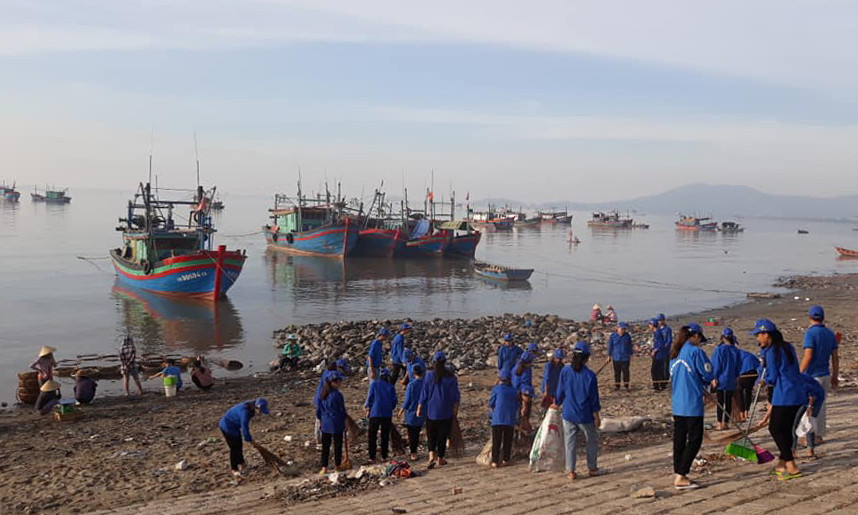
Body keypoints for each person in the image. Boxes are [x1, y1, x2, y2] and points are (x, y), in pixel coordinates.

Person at [752, 319, 804, 480]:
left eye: (758, 335)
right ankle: (782, 464)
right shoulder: (788, 347)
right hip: (798, 392)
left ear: (766, 334)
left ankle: (791, 464)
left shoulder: (771, 351)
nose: (757, 339)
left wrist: (763, 380)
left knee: (775, 428)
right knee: (786, 429)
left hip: (784, 394)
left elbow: (773, 376)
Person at [669, 323, 713, 490]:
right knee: (694, 439)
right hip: (692, 402)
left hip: (677, 403)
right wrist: (705, 383)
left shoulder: (674, 354)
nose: (700, 342)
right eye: (699, 338)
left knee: (679, 439)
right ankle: (681, 474)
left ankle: (678, 472)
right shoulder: (696, 352)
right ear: (694, 336)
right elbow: (708, 373)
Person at [554, 342, 602, 480]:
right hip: (584, 415)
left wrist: (556, 403)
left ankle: (571, 470)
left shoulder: (565, 371)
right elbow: (594, 399)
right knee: (591, 440)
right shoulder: (590, 376)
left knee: (570, 443)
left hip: (568, 413)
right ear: (586, 358)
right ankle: (592, 468)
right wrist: (596, 416)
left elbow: (560, 391)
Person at [799, 305, 839, 442]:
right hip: (825, 374)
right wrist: (835, 375)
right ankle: (819, 435)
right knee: (821, 405)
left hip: (812, 375)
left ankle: (809, 436)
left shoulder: (810, 333)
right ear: (822, 318)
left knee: (808, 406)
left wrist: (799, 373)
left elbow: (808, 356)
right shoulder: (829, 333)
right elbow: (835, 356)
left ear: (810, 318)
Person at [417, 351, 461, 470]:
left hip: (432, 411)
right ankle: (441, 458)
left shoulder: (429, 376)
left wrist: (419, 407)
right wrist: (455, 410)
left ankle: (431, 455)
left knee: (431, 434)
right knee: (442, 435)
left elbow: (424, 393)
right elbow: (456, 396)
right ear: (445, 362)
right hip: (446, 411)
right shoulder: (451, 378)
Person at [218, 398, 270, 482]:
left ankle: (242, 463)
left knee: (239, 445)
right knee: (234, 448)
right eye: (261, 411)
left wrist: (249, 440)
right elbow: (245, 428)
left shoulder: (251, 407)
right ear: (257, 408)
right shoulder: (245, 413)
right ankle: (234, 469)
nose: (261, 414)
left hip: (235, 426)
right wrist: (250, 441)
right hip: (227, 427)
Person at [317, 371, 348, 473]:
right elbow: (342, 410)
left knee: (325, 446)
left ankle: (324, 467)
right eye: (339, 381)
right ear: (333, 382)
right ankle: (337, 465)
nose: (340, 384)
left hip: (325, 423)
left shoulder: (322, 394)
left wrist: (320, 421)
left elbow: (319, 410)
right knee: (337, 445)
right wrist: (345, 421)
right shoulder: (337, 395)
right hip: (336, 422)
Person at [710, 328, 742, 430]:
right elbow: (738, 366)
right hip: (731, 379)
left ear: (723, 337)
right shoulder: (735, 350)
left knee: (720, 402)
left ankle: (720, 423)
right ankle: (726, 422)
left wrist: (714, 377)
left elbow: (717, 365)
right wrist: (737, 377)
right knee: (728, 401)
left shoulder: (720, 350)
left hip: (721, 378)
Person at [365, 368, 398, 464]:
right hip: (386, 414)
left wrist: (368, 408)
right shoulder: (390, 387)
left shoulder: (374, 384)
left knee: (372, 435)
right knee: (385, 435)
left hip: (375, 413)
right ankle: (384, 456)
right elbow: (394, 401)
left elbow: (370, 398)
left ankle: (372, 457)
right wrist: (389, 408)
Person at [488, 369, 518, 468]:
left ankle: (495, 461)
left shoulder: (496, 389)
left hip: (497, 419)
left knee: (496, 441)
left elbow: (491, 404)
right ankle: (506, 459)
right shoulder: (513, 391)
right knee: (507, 441)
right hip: (509, 419)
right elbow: (517, 405)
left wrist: (492, 415)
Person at [795, 373, 826, 458]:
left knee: (808, 422)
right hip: (804, 396)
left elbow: (811, 394)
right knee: (796, 423)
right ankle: (793, 451)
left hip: (815, 396)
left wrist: (810, 407)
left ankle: (809, 450)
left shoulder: (792, 378)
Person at [399, 363, 425, 460]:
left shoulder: (411, 385)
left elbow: (407, 400)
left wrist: (401, 410)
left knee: (411, 433)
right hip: (423, 412)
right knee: (417, 432)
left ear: (413, 374)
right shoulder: (425, 384)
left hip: (411, 412)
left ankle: (413, 452)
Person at [513, 351, 535, 433]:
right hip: (519, 395)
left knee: (524, 414)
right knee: (519, 416)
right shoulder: (518, 371)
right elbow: (519, 387)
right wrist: (524, 403)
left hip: (523, 393)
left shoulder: (527, 369)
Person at [737, 347, 761, 422]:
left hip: (746, 372)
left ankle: (742, 413)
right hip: (754, 372)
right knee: (748, 391)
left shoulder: (734, 354)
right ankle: (746, 412)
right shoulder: (745, 353)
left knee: (739, 391)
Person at [606, 322, 633, 390]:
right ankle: (617, 386)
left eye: (624, 329)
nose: (623, 330)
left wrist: (631, 354)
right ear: (618, 328)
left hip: (625, 357)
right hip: (616, 357)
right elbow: (610, 346)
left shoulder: (627, 336)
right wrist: (609, 355)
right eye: (622, 329)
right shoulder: (613, 336)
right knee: (617, 372)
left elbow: (630, 345)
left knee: (626, 372)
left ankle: (626, 386)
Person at [649, 319, 669, 391]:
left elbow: (661, 344)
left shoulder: (657, 333)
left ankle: (657, 386)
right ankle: (659, 385)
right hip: (658, 355)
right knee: (657, 370)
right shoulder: (656, 333)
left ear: (653, 325)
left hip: (659, 355)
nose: (649, 326)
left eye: (650, 325)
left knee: (655, 370)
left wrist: (655, 350)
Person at [657, 314, 673, 383]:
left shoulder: (667, 329)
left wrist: (665, 346)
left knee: (666, 366)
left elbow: (669, 340)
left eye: (660, 320)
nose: (659, 322)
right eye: (658, 320)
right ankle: (661, 379)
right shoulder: (658, 329)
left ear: (663, 320)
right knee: (660, 366)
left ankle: (665, 380)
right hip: (659, 351)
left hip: (666, 351)